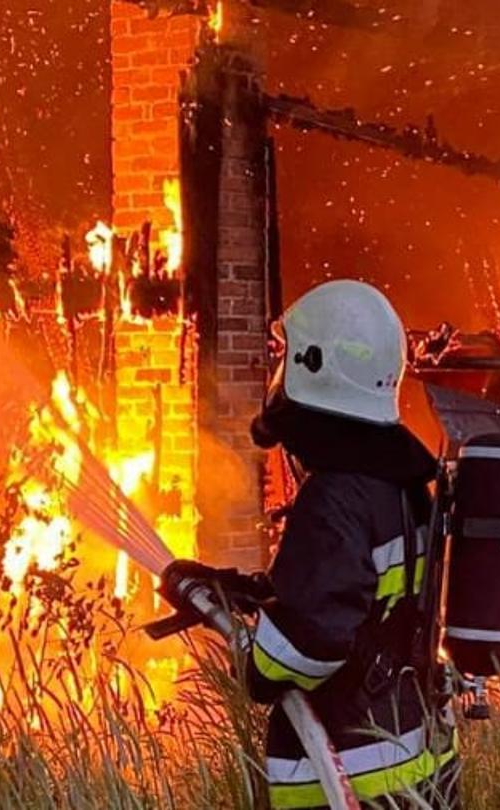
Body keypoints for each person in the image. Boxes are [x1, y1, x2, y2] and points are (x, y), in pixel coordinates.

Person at [171, 279, 458, 809]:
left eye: (287, 360)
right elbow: (371, 602)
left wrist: (252, 657)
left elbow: (304, 649)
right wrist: (253, 593)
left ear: (314, 366)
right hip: (411, 761)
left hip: (344, 779)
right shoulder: (401, 486)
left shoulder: (333, 500)